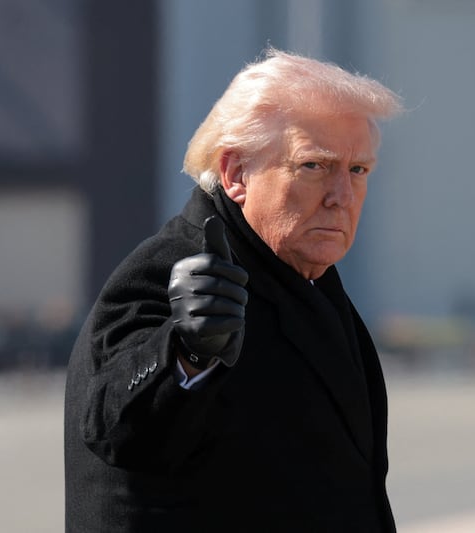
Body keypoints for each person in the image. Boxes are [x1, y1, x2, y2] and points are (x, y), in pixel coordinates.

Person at [64, 47, 403, 532]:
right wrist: (184, 355)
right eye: (314, 165)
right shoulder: (174, 269)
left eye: (357, 170)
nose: (341, 197)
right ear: (236, 173)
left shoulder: (304, 274)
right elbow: (115, 428)